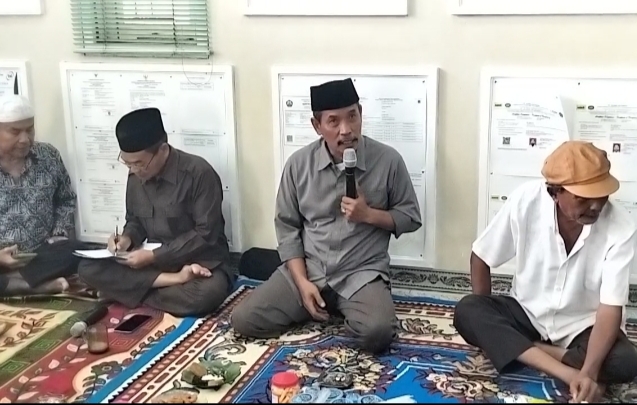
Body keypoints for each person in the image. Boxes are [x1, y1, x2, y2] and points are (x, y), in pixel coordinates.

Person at [231, 78, 422, 353]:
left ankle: (343, 307)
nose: (346, 130)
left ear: (361, 114)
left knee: (378, 333)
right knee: (244, 320)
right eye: (334, 121)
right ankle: (313, 301)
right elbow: (287, 228)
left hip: (361, 272)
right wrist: (301, 282)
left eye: (352, 117)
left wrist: (369, 215)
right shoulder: (298, 165)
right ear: (316, 126)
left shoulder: (388, 161)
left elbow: (410, 217)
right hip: (311, 268)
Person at [453, 141, 637, 403]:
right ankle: (560, 367)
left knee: (625, 362)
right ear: (555, 192)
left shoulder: (622, 227)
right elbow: (481, 256)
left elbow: (610, 308)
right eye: (583, 198)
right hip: (528, 314)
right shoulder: (526, 201)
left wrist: (588, 373)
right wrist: (486, 318)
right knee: (469, 310)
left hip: (582, 326)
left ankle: (528, 350)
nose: (596, 205)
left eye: (602, 195)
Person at [78, 108, 233, 317]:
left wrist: (153, 256)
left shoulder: (199, 173)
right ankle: (163, 284)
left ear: (162, 150)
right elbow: (135, 221)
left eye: (139, 164)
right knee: (87, 268)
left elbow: (206, 234)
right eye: (127, 163)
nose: (134, 170)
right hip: (153, 266)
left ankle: (128, 292)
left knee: (206, 295)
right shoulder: (135, 175)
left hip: (200, 264)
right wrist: (126, 239)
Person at [0, 94, 85, 296]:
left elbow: (65, 200)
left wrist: (59, 234)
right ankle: (33, 285)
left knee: (79, 250)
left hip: (42, 254)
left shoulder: (48, 156)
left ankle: (15, 282)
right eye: (15, 131)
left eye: (29, 129)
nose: (24, 139)